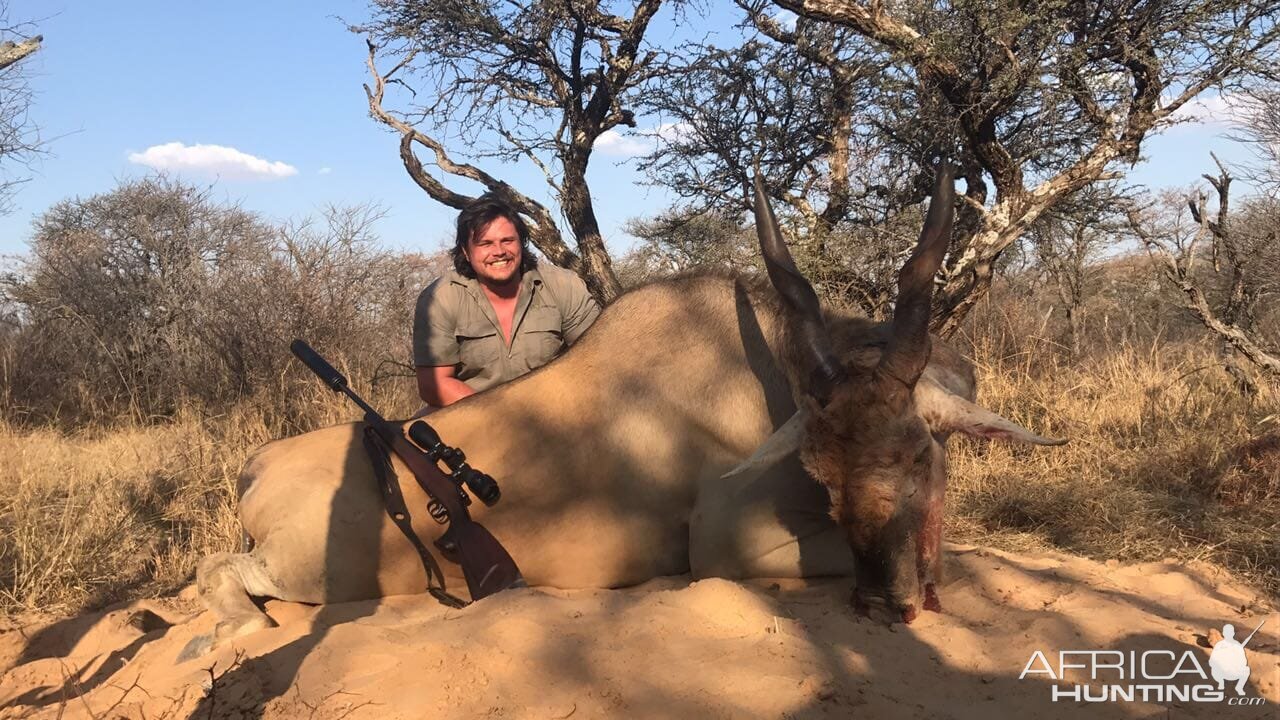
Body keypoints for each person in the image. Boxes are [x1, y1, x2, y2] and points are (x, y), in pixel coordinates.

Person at [413, 194, 601, 408]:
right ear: (465, 251)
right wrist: (501, 418)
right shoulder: (441, 297)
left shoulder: (564, 285)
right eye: (485, 243)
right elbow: (433, 383)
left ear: (522, 243)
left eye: (507, 241)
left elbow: (594, 359)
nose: (499, 252)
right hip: (470, 414)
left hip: (554, 411)